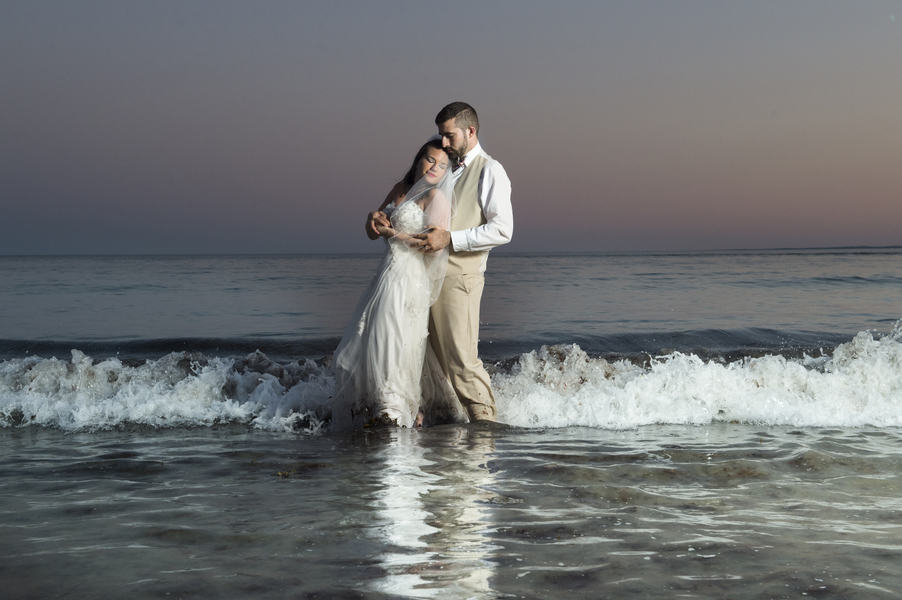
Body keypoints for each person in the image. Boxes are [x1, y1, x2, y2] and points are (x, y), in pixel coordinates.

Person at [368, 102, 513, 422]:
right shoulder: (444, 169)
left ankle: (486, 430)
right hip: (421, 279)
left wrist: (451, 239)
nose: (443, 143)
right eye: (440, 136)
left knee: (461, 360)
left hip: (460, 278)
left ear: (470, 131)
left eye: (449, 136)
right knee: (429, 361)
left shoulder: (490, 170)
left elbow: (503, 230)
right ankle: (444, 435)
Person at [333, 140, 468, 431]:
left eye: (443, 165)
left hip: (409, 278)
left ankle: (394, 409)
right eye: (431, 160)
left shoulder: (436, 198)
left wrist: (391, 232)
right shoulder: (399, 191)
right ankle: (378, 406)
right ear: (419, 159)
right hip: (386, 274)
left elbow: (430, 246)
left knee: (396, 339)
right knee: (371, 336)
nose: (435, 168)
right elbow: (373, 232)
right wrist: (372, 218)